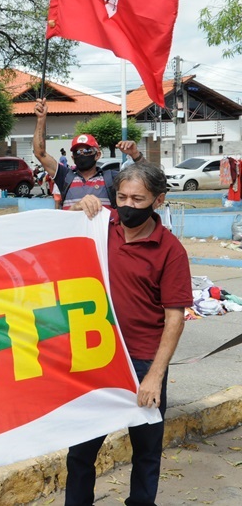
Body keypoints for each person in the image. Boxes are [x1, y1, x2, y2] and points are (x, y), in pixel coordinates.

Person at [66, 162, 192, 506]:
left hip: (142, 363)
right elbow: (54, 239)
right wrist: (77, 210)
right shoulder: (98, 226)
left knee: (146, 453)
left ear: (158, 200)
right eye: (122, 197)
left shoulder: (170, 251)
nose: (128, 205)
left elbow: (175, 318)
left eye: (138, 199)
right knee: (80, 452)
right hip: (97, 357)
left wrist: (155, 375)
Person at [33, 98, 145, 210]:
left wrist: (135, 154)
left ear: (97, 155)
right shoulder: (65, 177)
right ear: (73, 157)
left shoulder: (111, 178)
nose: (82, 154)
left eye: (87, 151)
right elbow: (40, 153)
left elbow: (148, 179)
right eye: (77, 152)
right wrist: (41, 119)